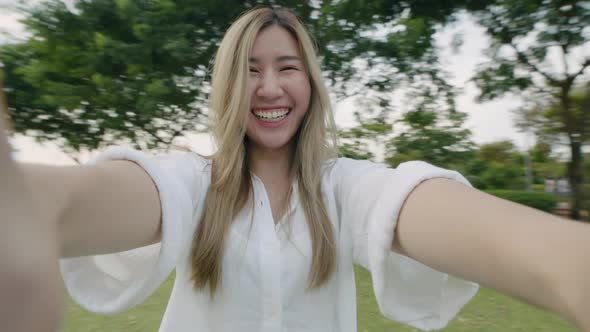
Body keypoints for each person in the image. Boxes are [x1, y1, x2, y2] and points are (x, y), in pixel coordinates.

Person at [1, 7, 589, 332]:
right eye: (251, 69)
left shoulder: (346, 189)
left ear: (311, 82)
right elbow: (108, 196)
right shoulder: (191, 183)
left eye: (288, 66)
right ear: (229, 84)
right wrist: (29, 205)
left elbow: (449, 217)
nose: (271, 87)